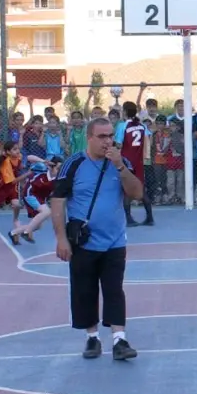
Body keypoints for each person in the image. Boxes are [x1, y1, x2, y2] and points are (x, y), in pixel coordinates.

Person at [51, 118, 144, 361]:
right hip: (84, 240)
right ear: (89, 137)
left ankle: (119, 340)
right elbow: (58, 200)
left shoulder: (120, 163)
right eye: (102, 136)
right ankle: (92, 338)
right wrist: (61, 238)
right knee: (84, 290)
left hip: (115, 240)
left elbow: (137, 193)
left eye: (110, 135)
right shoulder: (74, 164)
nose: (108, 141)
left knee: (114, 289)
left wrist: (121, 167)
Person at [116, 101, 156, 224]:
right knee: (140, 189)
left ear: (126, 112)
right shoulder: (141, 126)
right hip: (139, 162)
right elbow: (150, 134)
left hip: (127, 162)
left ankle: (129, 218)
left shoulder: (122, 126)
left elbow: (118, 144)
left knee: (126, 189)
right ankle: (150, 217)